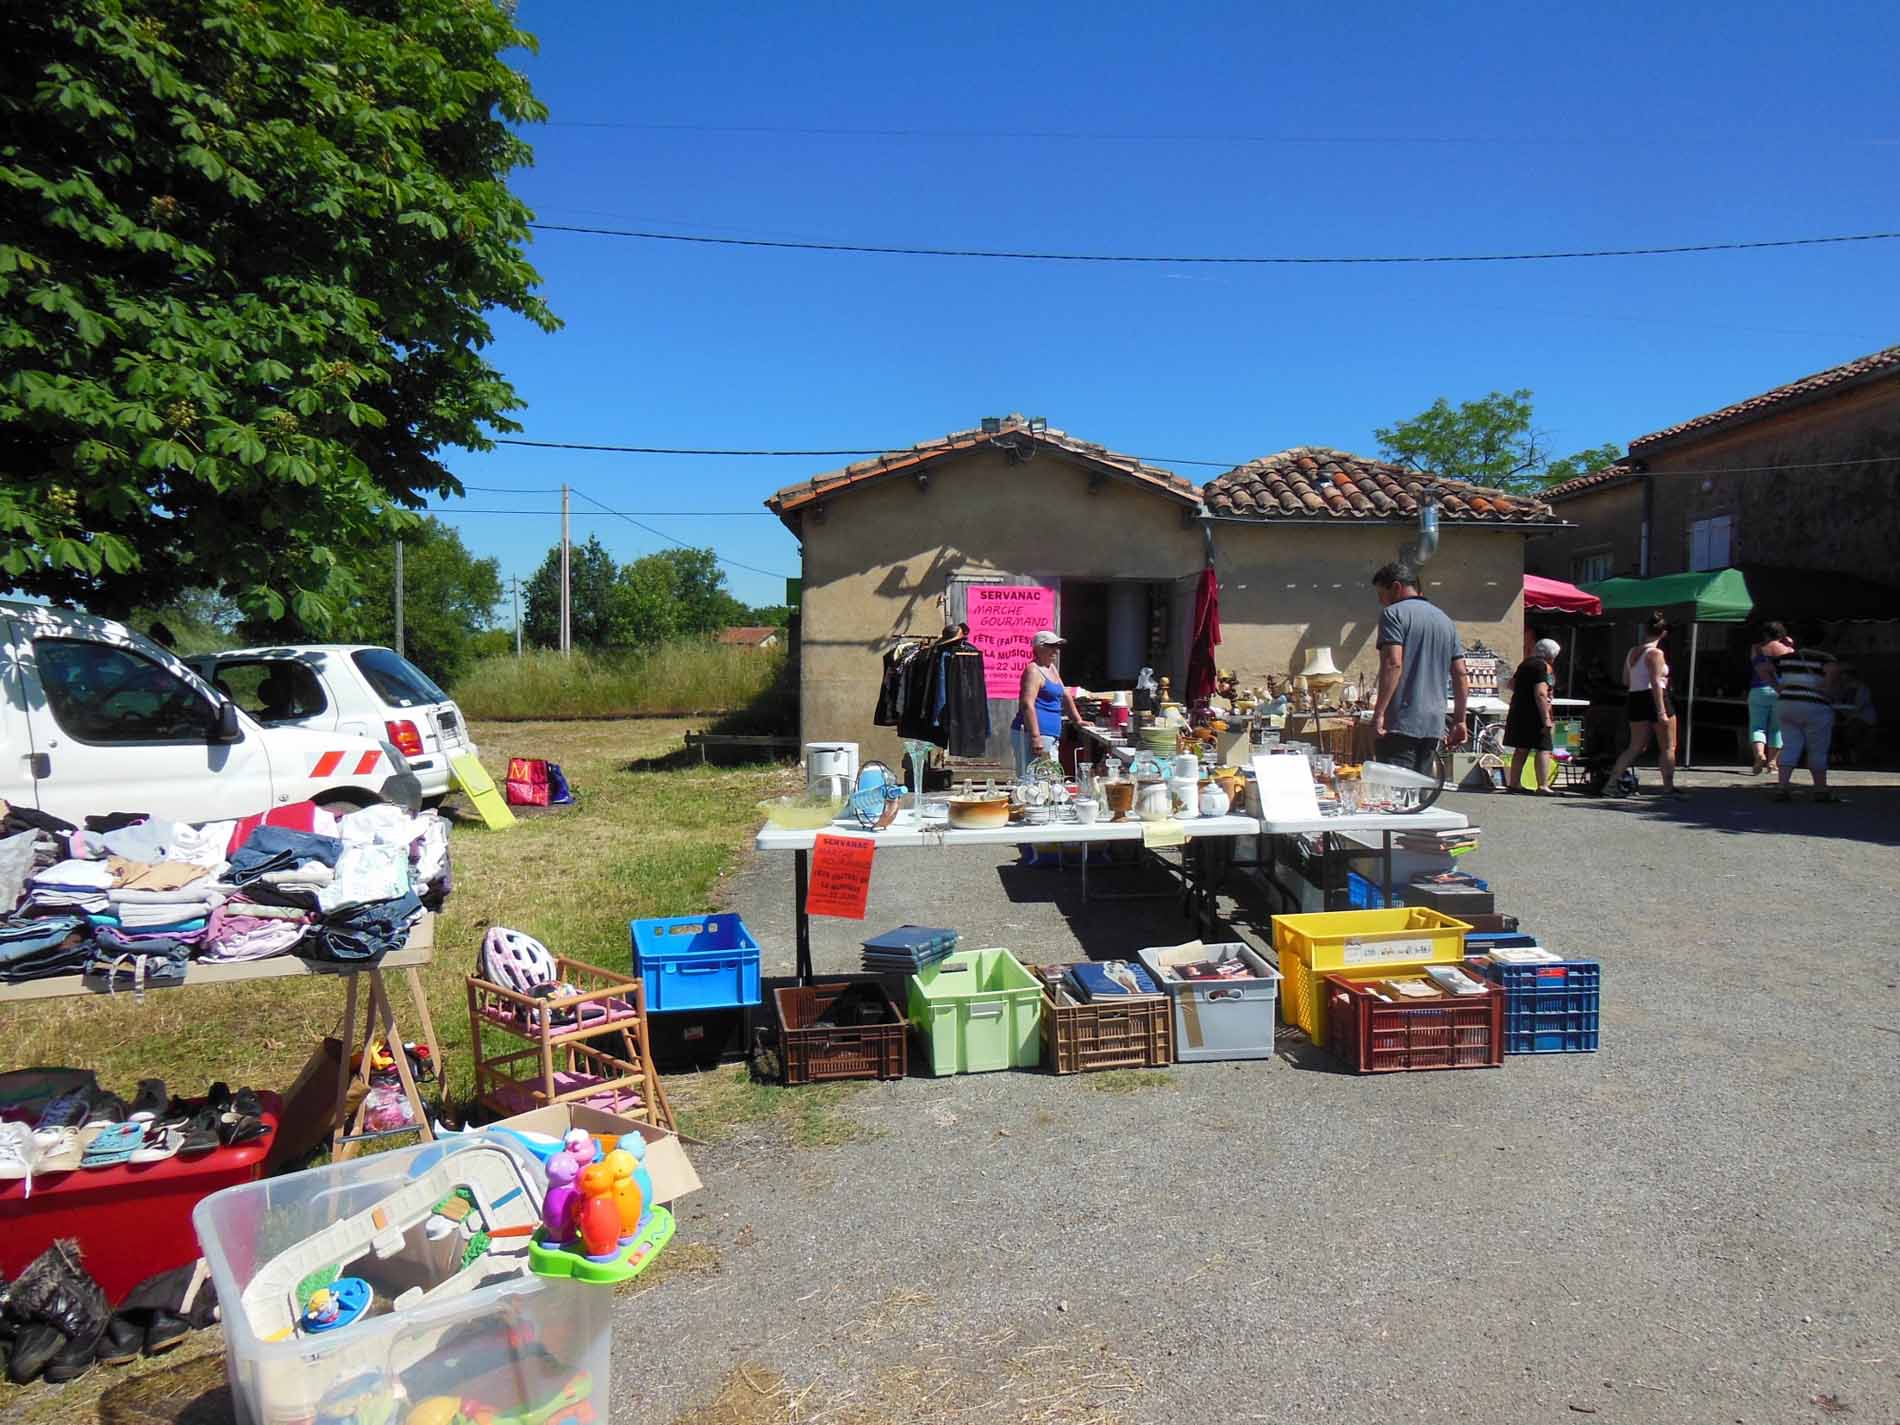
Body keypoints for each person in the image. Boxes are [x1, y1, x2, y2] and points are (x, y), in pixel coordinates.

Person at [1370, 562, 1468, 771]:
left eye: (1381, 594)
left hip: (1399, 723)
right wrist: (1460, 720)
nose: (1380, 601)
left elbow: (1393, 663)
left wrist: (1379, 714)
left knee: (1396, 788)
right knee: (1420, 787)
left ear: (1396, 587)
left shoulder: (1393, 614)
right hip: (1433, 724)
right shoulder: (1445, 621)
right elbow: (1460, 673)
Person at [1596, 611, 1683, 798]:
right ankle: (1668, 787)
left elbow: (1626, 680)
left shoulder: (1632, 652)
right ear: (1663, 633)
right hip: (1655, 697)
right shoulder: (1656, 653)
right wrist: (1661, 711)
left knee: (1635, 746)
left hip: (1635, 697)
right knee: (1668, 746)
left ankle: (1611, 783)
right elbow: (1656, 682)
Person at [1772, 628, 1842, 803]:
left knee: (1790, 746)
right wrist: (1826, 689)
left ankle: (1782, 788)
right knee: (1818, 748)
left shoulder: (1785, 659)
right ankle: (1820, 790)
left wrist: (1777, 687)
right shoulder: (1826, 658)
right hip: (1815, 706)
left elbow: (1765, 669)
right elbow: (1831, 678)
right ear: (1822, 640)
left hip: (1786, 704)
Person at [1012, 629, 1083, 776]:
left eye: (1057, 646)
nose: (1055, 651)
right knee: (1032, 781)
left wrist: (1078, 720)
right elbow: (1027, 704)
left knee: (1050, 779)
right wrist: (1035, 737)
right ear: (1039, 648)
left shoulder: (1051, 668)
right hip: (1034, 735)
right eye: (1051, 646)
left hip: (1051, 735)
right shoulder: (1033, 671)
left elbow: (1065, 694)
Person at [1505, 638, 1561, 794]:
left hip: (1519, 711)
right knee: (1543, 748)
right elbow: (1541, 693)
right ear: (1551, 655)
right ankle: (1543, 786)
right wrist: (1546, 719)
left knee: (1521, 748)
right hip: (1536, 713)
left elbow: (1511, 684)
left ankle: (1514, 783)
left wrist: (1524, 694)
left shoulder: (1525, 664)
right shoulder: (1542, 667)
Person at [1746, 620, 1794, 775]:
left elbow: (1754, 662)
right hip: (1780, 690)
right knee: (1777, 728)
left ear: (1765, 634)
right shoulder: (1788, 650)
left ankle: (1759, 755)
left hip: (1758, 690)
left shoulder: (1756, 648)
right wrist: (1789, 643)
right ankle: (1773, 763)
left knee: (1757, 726)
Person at [1834, 664, 1878, 766]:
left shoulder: (1862, 689)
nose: (1842, 677)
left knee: (1851, 732)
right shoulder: (1843, 689)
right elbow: (1838, 703)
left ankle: (1855, 758)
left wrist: (1847, 720)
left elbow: (1858, 707)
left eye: (1844, 674)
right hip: (1848, 719)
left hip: (1864, 720)